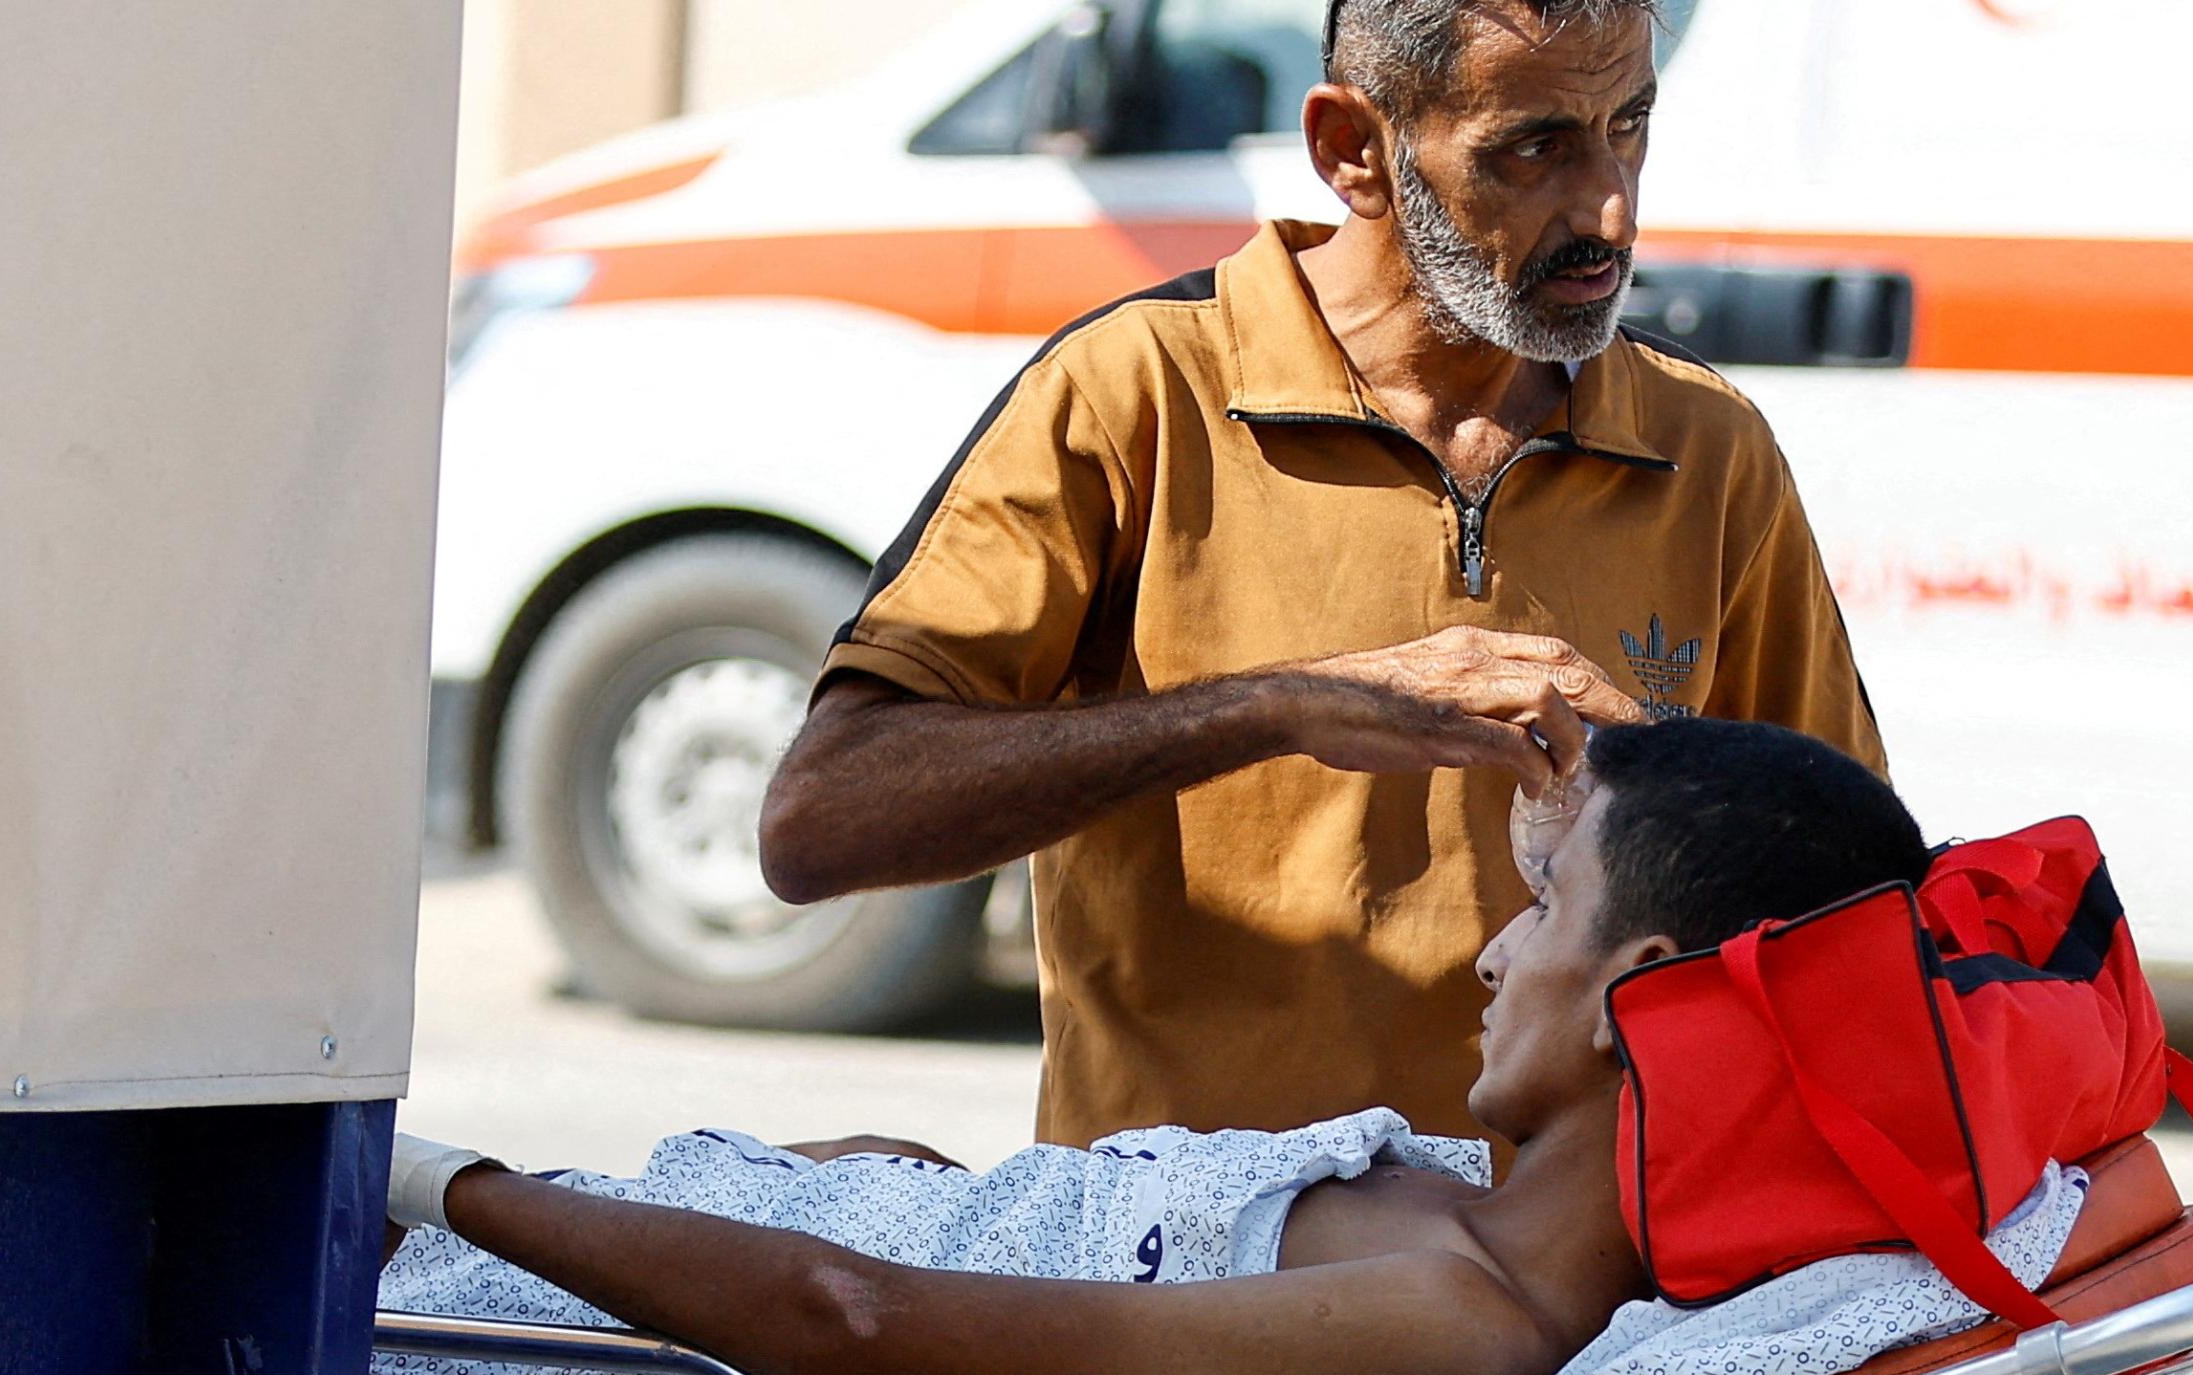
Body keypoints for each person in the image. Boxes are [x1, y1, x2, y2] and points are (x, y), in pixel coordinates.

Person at [759, 0, 1886, 1157]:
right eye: (1534, 147)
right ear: (1354, 151)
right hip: (1178, 1281)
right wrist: (1279, 707)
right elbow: (820, 820)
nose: (1609, 206)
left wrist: (1665, 790)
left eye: (1630, 125)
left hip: (1568, 1294)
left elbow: (1858, 912)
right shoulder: (1133, 392)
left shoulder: (1707, 447)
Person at [357, 718, 1931, 1375]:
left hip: (523, 1349)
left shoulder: (1465, 1317)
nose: (1496, 949)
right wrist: (880, 1166)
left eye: (1550, 901)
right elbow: (1050, 1237)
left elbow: (846, 1324)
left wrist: (441, 1183)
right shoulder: (1439, 1194)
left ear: (1644, 985)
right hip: (632, 1251)